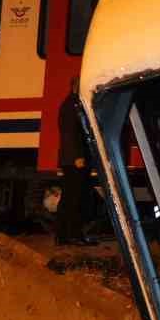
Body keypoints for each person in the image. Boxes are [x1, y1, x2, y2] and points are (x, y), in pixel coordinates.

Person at [56, 78, 96, 245]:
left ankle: (66, 235)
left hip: (72, 159)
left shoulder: (70, 105)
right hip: (74, 160)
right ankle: (72, 235)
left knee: (71, 197)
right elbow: (71, 134)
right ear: (76, 87)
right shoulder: (71, 106)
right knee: (74, 198)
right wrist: (78, 156)